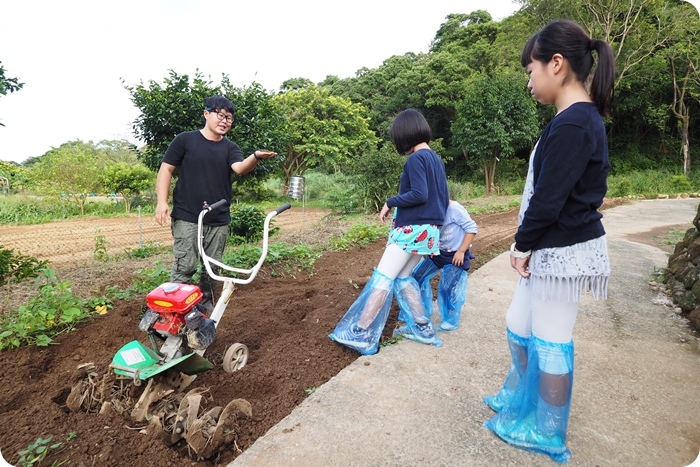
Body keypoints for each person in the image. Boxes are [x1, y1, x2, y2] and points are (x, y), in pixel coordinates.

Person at [482, 20, 615, 463]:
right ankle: (522, 398)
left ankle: (547, 429)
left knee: (552, 339)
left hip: (562, 251)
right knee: (519, 325)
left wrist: (521, 245)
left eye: (531, 70)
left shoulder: (575, 123)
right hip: (550, 249)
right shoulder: (572, 119)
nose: (528, 81)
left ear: (556, 65)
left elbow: (548, 199)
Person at [328, 108, 449, 355]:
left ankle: (361, 332)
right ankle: (422, 327)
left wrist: (390, 201)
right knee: (404, 277)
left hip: (411, 229)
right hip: (429, 231)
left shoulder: (416, 159)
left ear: (404, 135)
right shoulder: (435, 159)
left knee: (383, 277)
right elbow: (441, 199)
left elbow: (419, 194)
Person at [155, 96, 277, 311]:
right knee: (185, 265)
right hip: (187, 215)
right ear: (206, 114)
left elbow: (239, 168)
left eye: (229, 118)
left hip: (218, 219)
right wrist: (161, 202)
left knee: (212, 269)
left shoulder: (230, 147)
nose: (225, 121)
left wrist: (255, 156)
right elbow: (166, 169)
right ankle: (176, 311)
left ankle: (205, 310)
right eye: (220, 115)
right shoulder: (185, 140)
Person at [409, 200, 477, 332]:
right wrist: (427, 249)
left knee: (447, 288)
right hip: (436, 253)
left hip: (454, 256)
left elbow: (471, 229)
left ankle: (450, 319)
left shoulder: (453, 208)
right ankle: (422, 309)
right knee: (417, 276)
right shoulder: (427, 208)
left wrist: (462, 251)